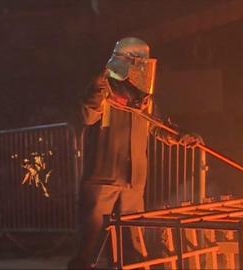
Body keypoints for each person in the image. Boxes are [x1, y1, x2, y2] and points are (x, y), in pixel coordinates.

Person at [68, 37, 200, 269]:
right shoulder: (103, 89)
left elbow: (159, 126)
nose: (142, 69)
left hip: (133, 181)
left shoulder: (143, 99)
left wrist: (181, 136)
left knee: (132, 245)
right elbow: (88, 116)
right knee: (90, 243)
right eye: (138, 63)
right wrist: (98, 87)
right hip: (103, 179)